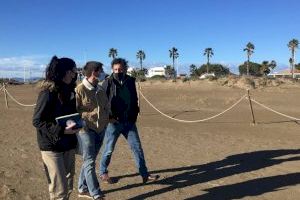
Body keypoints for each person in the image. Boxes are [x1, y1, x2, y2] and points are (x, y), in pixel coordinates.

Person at [99, 58, 159, 184]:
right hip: (113, 123)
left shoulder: (131, 81)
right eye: (115, 69)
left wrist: (134, 113)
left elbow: (134, 98)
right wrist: (108, 117)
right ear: (112, 70)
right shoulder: (108, 82)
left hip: (129, 122)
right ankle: (103, 172)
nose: (118, 71)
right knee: (108, 149)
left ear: (125, 69)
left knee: (137, 148)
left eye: (120, 69)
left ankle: (144, 174)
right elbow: (102, 101)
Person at [32, 56, 79, 200]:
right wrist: (61, 130)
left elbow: (69, 115)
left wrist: (77, 123)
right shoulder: (48, 93)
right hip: (51, 145)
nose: (75, 73)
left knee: (69, 182)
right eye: (73, 70)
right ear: (65, 72)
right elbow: (37, 120)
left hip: (68, 143)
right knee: (59, 189)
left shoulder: (70, 91)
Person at [76, 61, 109, 200]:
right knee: (89, 162)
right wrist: (90, 115)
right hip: (86, 130)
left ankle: (82, 188)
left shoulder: (100, 89)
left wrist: (108, 119)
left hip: (100, 129)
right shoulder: (79, 90)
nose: (102, 73)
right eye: (100, 70)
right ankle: (95, 192)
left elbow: (106, 107)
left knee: (89, 160)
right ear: (94, 72)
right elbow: (75, 112)